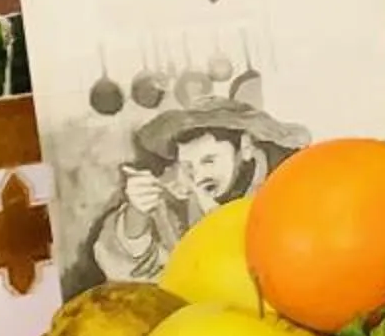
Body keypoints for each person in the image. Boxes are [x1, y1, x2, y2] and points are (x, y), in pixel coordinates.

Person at [83, 98, 307, 287]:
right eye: (188, 165)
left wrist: (222, 225)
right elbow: (131, 274)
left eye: (209, 161)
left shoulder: (292, 180)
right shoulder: (175, 189)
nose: (198, 176)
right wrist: (137, 213)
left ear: (246, 148)